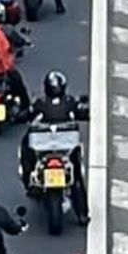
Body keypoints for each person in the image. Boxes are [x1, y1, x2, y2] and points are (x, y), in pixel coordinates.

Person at [21, 70, 90, 224]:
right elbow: (83, 112)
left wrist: (19, 116)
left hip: (46, 149)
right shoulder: (70, 102)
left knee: (26, 149)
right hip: (66, 149)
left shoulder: (40, 103)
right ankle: (82, 214)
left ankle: (29, 180)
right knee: (77, 178)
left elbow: (25, 115)